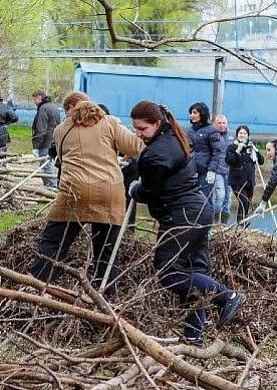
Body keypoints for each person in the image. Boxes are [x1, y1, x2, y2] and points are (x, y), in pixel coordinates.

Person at [128, 100, 246, 345]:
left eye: (142, 129)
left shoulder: (156, 154)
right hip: (200, 210)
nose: (138, 134)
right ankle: (194, 337)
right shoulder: (176, 136)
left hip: (180, 215)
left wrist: (134, 189)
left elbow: (150, 191)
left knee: (168, 272)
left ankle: (226, 296)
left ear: (157, 123)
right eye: (135, 128)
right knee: (195, 273)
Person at [28, 92, 144, 297]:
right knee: (106, 253)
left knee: (53, 243)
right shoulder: (110, 123)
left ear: (71, 107)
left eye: (66, 110)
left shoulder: (61, 130)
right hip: (110, 192)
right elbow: (137, 147)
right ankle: (106, 299)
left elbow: (61, 158)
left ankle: (36, 287)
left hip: (74, 192)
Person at [98, 103, 139, 231]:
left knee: (127, 198)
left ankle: (128, 229)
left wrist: (121, 159)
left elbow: (133, 147)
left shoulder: (115, 128)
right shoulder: (93, 131)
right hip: (109, 171)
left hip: (127, 169)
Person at [225, 125, 264, 223]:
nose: (242, 135)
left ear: (248, 135)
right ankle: (241, 224)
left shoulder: (250, 147)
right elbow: (229, 160)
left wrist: (256, 150)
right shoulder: (232, 147)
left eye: (245, 133)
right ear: (237, 135)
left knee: (247, 202)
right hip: (237, 180)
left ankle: (243, 223)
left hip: (249, 180)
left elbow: (261, 161)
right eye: (240, 133)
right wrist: (238, 150)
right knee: (243, 201)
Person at [186, 102, 222, 204]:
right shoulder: (188, 130)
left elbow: (217, 152)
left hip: (205, 172)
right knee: (190, 200)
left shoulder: (211, 130)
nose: (191, 115)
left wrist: (212, 170)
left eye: (194, 113)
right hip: (190, 171)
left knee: (205, 201)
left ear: (202, 114)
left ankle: (208, 220)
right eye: (191, 113)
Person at [31, 89, 61, 189]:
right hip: (54, 139)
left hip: (45, 141)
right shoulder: (53, 106)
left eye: (34, 99)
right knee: (48, 162)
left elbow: (40, 129)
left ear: (39, 98)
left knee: (45, 163)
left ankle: (51, 185)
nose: (34, 102)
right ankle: (51, 184)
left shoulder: (43, 109)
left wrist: (36, 145)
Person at [212, 115, 232, 223]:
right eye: (219, 123)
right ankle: (215, 220)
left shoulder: (232, 136)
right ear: (215, 124)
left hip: (230, 171)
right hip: (217, 171)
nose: (222, 125)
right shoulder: (212, 136)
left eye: (223, 123)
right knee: (220, 195)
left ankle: (224, 224)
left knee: (228, 198)